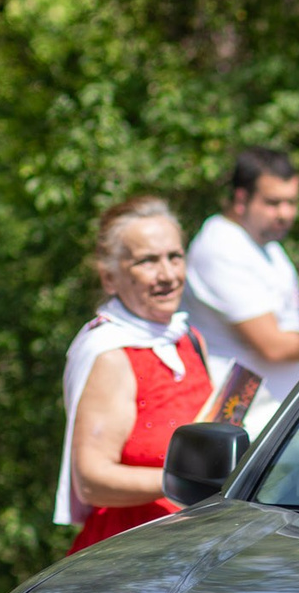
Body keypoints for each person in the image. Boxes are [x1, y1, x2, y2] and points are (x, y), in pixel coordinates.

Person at [55, 197, 216, 552]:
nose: (169, 275)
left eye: (175, 257)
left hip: (195, 543)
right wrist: (185, 482)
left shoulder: (189, 338)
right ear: (110, 277)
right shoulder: (111, 354)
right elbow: (91, 481)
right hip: (132, 553)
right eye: (148, 261)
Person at [183, 145, 299, 430]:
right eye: (274, 202)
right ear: (241, 198)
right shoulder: (219, 247)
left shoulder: (266, 244)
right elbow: (273, 346)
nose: (285, 213)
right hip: (246, 426)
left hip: (277, 419)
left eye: (292, 202)